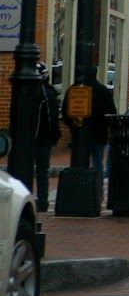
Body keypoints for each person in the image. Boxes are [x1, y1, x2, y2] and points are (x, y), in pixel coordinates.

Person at [34, 65, 61, 213]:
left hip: (33, 139)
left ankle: (36, 201)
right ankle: (42, 201)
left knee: (28, 171)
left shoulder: (36, 92)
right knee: (42, 171)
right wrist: (54, 136)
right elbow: (52, 119)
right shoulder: (49, 93)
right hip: (44, 139)